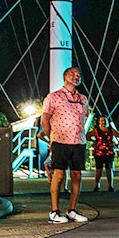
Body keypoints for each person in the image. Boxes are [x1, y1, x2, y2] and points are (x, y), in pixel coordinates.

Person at [40, 66, 90, 224]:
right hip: (60, 141)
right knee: (59, 175)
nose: (76, 76)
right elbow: (44, 120)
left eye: (78, 74)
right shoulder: (53, 97)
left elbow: (84, 117)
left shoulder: (83, 98)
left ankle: (72, 210)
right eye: (72, 74)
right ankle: (54, 212)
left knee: (77, 175)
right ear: (65, 76)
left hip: (78, 141)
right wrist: (51, 138)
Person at [88, 115, 119, 192]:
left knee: (109, 169)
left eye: (105, 120)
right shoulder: (96, 131)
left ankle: (110, 186)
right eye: (102, 120)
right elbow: (87, 136)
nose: (103, 122)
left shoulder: (111, 130)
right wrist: (93, 141)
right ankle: (97, 185)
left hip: (109, 152)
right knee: (98, 169)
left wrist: (115, 144)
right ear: (99, 122)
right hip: (98, 152)